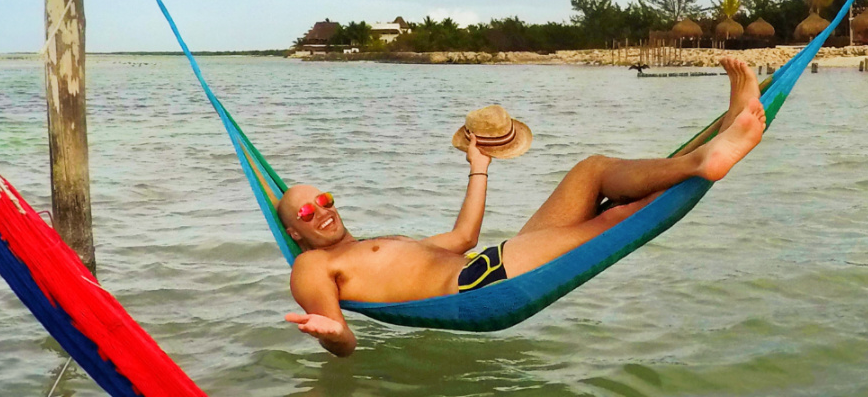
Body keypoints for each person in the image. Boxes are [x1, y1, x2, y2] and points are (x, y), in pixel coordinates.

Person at [279, 58, 766, 356]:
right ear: (296, 234)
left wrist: (479, 166)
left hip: (486, 260)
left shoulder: (374, 248)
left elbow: (464, 238)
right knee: (615, 218)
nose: (320, 210)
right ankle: (707, 158)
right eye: (305, 212)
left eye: (323, 199)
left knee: (590, 170)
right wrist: (329, 334)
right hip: (483, 284)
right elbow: (343, 339)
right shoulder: (312, 264)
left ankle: (720, 135)